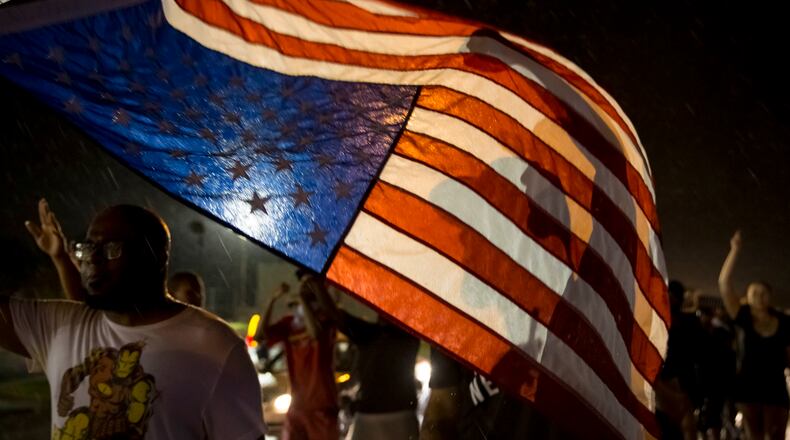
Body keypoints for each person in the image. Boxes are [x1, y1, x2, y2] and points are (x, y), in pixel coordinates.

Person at [3, 201, 266, 439]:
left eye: (111, 249)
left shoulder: (216, 348)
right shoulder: (59, 327)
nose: (93, 259)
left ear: (154, 257)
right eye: (87, 247)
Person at [312, 285, 420, 440]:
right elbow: (334, 314)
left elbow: (333, 314)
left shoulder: (371, 334)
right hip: (397, 414)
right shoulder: (408, 337)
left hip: (376, 414)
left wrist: (317, 285)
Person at [719, 230, 790, 440]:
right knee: (754, 436)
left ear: (770, 296)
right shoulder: (742, 317)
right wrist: (735, 251)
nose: (759, 296)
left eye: (763, 292)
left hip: (775, 386)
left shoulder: (784, 321)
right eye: (753, 292)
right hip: (748, 385)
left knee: (775, 434)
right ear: (747, 297)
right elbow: (724, 283)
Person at [261, 269, 339, 440]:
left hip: (322, 406)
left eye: (309, 282)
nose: (304, 286)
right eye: (303, 282)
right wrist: (272, 299)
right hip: (297, 406)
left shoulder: (326, 317)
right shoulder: (290, 323)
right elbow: (261, 335)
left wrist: (302, 299)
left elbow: (315, 334)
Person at [653, 280, 704, 440]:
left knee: (679, 427)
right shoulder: (687, 321)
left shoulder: (681, 321)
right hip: (669, 380)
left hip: (674, 379)